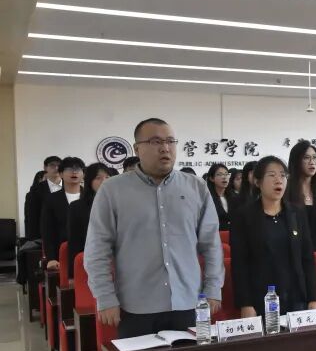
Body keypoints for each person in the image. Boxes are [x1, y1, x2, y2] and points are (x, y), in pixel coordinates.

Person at [84, 118, 223, 338]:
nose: (165, 148)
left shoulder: (196, 187)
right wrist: (105, 297)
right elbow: (97, 249)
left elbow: (211, 245)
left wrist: (213, 288)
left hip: (188, 302)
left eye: (170, 141)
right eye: (156, 141)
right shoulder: (112, 190)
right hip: (135, 307)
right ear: (137, 148)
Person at [230, 156, 316, 317]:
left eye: (283, 175)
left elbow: (307, 258)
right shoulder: (244, 216)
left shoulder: (297, 213)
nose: (279, 180)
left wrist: (313, 298)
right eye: (272, 175)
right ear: (257, 182)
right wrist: (245, 303)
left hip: (296, 298)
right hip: (260, 300)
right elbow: (239, 263)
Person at [66, 163, 115, 275]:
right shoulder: (77, 207)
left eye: (107, 177)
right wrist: (73, 274)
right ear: (89, 181)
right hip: (91, 262)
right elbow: (74, 241)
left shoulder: (121, 203)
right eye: (98, 178)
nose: (104, 181)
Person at [41, 157, 86, 271]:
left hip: (88, 252)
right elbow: (48, 231)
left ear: (83, 174)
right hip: (62, 252)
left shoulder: (92, 198)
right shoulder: (51, 199)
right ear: (61, 174)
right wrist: (51, 258)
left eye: (78, 169)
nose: (74, 172)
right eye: (69, 169)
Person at [286, 140, 316, 252]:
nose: (312, 162)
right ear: (296, 161)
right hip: (294, 252)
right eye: (306, 158)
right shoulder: (286, 190)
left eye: (315, 158)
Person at [25, 155, 62, 242]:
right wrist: (34, 238)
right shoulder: (36, 189)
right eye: (52, 165)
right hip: (45, 235)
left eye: (59, 165)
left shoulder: (70, 186)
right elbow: (32, 215)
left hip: (67, 233)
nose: (56, 168)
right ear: (45, 167)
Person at [206, 163, 232, 231]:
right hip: (215, 234)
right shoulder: (207, 198)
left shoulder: (234, 197)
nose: (224, 177)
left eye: (226, 174)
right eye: (220, 174)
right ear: (212, 178)